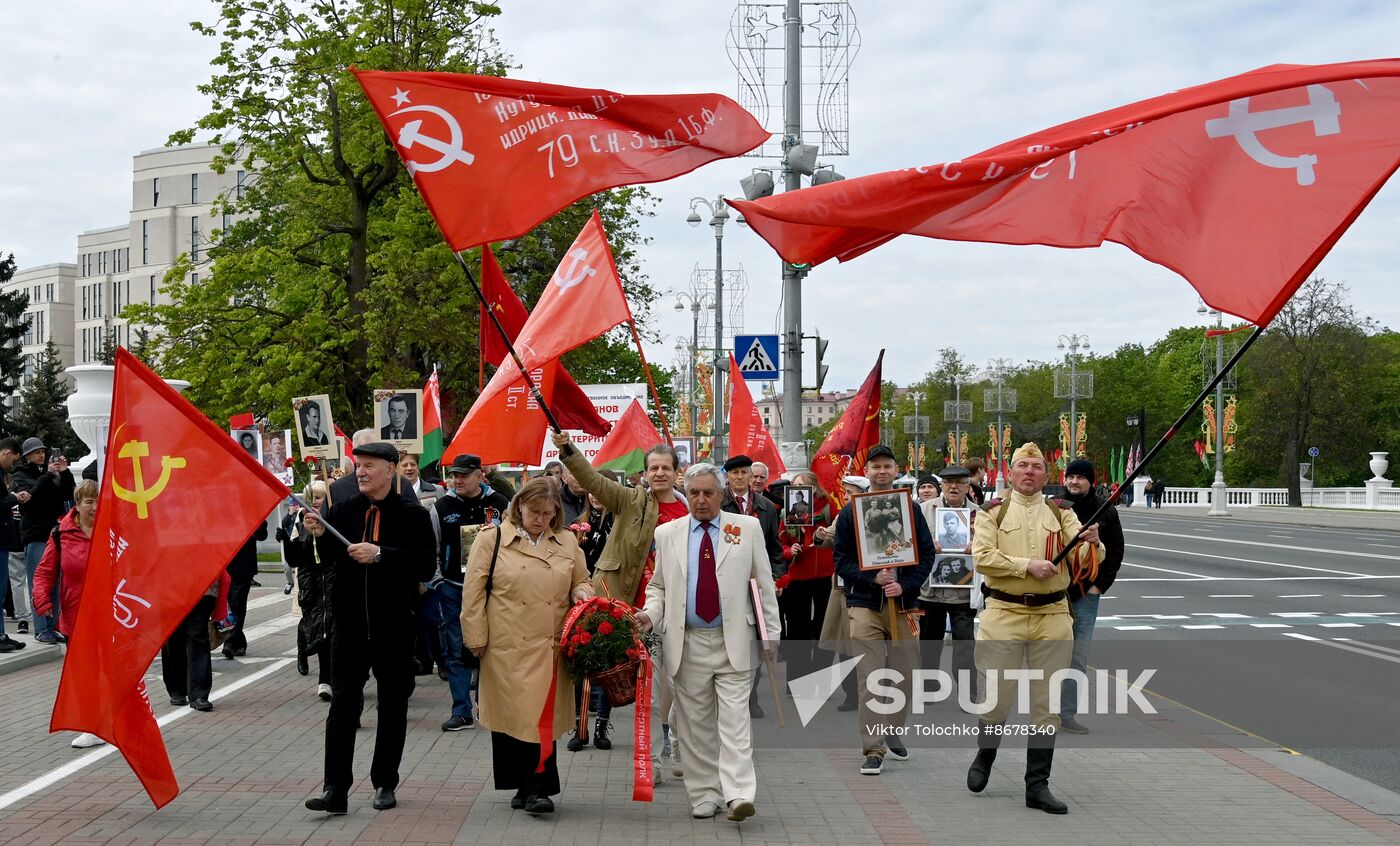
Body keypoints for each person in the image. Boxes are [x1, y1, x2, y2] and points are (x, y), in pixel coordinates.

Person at [637, 463, 780, 823]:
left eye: (709, 493)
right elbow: (658, 588)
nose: (701, 500)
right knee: (694, 726)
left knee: (735, 721)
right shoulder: (668, 533)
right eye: (695, 493)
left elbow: (763, 584)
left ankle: (738, 794)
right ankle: (704, 794)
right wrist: (649, 615)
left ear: (721, 494)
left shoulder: (745, 528)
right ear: (687, 493)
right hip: (686, 642)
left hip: (736, 640)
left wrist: (771, 635)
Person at [966, 443, 1102, 815]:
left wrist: (1092, 543)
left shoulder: (1062, 514)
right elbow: (983, 557)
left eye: (1037, 467)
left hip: (1054, 616)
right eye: (1022, 465)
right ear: (1010, 473)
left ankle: (1037, 785)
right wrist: (1027, 566)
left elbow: (1083, 561)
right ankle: (985, 756)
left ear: (1047, 475)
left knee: (1047, 704)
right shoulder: (993, 511)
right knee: (997, 695)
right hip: (1004, 613)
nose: (1029, 471)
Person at [302, 442, 435, 815]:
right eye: (358, 465)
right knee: (343, 706)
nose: (360, 471)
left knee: (392, 707)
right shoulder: (342, 510)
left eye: (369, 465)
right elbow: (324, 559)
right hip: (349, 627)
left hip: (394, 626)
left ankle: (384, 782)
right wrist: (316, 533)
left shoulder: (412, 515)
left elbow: (424, 566)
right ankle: (335, 789)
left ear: (390, 469)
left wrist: (380, 555)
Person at [552, 429, 687, 782]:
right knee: (651, 693)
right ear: (644, 473)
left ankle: (677, 745)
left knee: (680, 691)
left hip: (679, 612)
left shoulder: (689, 508)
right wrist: (568, 449)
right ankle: (652, 763)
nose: (659, 474)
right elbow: (592, 480)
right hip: (633, 611)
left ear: (677, 472)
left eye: (665, 468)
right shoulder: (631, 501)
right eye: (653, 468)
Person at [463, 477, 594, 815]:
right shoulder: (491, 540)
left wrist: (582, 593)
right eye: (534, 511)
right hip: (505, 645)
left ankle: (537, 789)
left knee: (540, 718)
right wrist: (475, 637)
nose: (541, 519)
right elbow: (474, 592)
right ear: (518, 505)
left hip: (549, 646)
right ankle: (522, 785)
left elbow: (582, 579)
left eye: (548, 513)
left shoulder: (566, 541)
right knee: (512, 719)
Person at [832, 444, 934, 777]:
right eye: (875, 467)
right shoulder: (850, 513)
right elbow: (842, 561)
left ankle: (892, 727)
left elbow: (927, 555)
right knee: (871, 678)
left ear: (896, 470)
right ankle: (872, 747)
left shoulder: (912, 510)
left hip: (904, 606)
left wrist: (905, 585)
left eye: (887, 466)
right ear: (868, 472)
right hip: (864, 605)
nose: (881, 472)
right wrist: (871, 577)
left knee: (905, 676)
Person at [432, 454, 510, 732]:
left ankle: (492, 709)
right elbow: (434, 548)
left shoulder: (500, 504)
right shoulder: (441, 507)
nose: (458, 479)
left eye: (465, 474)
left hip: (493, 590)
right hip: (454, 589)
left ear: (481, 475)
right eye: (455, 474)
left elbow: (513, 545)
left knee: (493, 649)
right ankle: (462, 710)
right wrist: (439, 581)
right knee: (455, 650)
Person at [1057, 458, 1124, 734]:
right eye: (1070, 477)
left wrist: (1099, 586)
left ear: (1090, 481)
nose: (1074, 482)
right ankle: (1044, 710)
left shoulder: (1105, 511)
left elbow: (1116, 551)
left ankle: (1067, 713)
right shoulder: (1053, 507)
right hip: (1055, 593)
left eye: (1080, 478)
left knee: (1077, 657)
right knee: (1048, 655)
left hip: (1086, 593)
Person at [32, 479, 100, 743]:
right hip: (76, 614)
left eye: (98, 501)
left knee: (111, 669)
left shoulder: (113, 529)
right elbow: (44, 572)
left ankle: (115, 720)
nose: (94, 507)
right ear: (77, 504)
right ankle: (92, 727)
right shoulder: (61, 533)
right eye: (88, 502)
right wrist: (42, 602)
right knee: (85, 671)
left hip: (111, 611)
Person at [719, 454, 784, 719]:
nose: (739, 477)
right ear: (727, 476)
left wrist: (775, 578)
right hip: (728, 584)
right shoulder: (718, 503)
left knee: (759, 639)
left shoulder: (767, 507)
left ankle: (751, 695)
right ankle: (729, 693)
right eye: (734, 473)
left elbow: (774, 550)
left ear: (750, 475)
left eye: (744, 473)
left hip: (756, 586)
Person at [917, 465, 980, 707]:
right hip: (930, 590)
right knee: (929, 643)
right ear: (941, 485)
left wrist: (977, 544)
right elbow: (909, 542)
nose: (953, 487)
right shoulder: (923, 510)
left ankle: (968, 694)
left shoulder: (979, 514)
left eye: (959, 482)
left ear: (968, 486)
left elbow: (990, 545)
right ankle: (929, 688)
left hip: (963, 590)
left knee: (965, 643)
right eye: (948, 482)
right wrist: (926, 544)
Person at [569, 470, 619, 751]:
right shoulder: (577, 525)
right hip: (582, 603)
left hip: (610, 602)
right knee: (581, 667)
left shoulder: (621, 524)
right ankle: (580, 728)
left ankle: (601, 727)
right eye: (591, 491)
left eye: (601, 490)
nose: (595, 496)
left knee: (606, 667)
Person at [12, 438, 75, 645]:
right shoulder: (21, 476)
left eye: (43, 451)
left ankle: (52, 625)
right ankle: (40, 628)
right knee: (39, 582)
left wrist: (64, 473)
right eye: (36, 452)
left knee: (55, 583)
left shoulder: (48, 474)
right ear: (27, 456)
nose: (41, 455)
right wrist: (48, 475)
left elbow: (67, 495)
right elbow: (31, 497)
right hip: (36, 535)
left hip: (54, 534)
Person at [816, 474, 870, 713]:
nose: (846, 496)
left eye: (849, 492)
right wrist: (821, 536)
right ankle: (851, 694)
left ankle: (871, 693)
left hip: (869, 587)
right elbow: (830, 537)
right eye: (845, 491)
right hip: (843, 587)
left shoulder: (872, 514)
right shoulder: (843, 515)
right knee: (844, 644)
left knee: (866, 645)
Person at [777, 470, 835, 681]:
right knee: (797, 629)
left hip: (825, 576)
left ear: (813, 488)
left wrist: (824, 534)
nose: (797, 490)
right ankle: (797, 678)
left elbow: (840, 535)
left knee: (823, 628)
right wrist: (789, 551)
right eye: (794, 485)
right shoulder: (787, 512)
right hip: (798, 576)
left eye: (801, 485)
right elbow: (780, 544)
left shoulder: (828, 508)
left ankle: (820, 678)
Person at [282, 481, 334, 701]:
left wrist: (323, 535)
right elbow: (296, 559)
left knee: (329, 632)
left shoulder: (334, 521)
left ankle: (327, 680)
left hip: (332, 586)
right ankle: (305, 652)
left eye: (320, 497)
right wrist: (286, 541)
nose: (315, 502)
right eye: (311, 498)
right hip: (310, 587)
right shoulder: (301, 523)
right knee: (315, 629)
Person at [221, 518, 270, 659]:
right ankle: (240, 642)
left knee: (237, 603)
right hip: (226, 564)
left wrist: (254, 525)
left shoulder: (252, 512)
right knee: (230, 604)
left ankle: (229, 643)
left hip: (244, 565)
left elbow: (262, 535)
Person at [0, 437, 29, 652]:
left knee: (2, 590)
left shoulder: (1, 474)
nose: (13, 466)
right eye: (13, 461)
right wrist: (13, 498)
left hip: (3, 540)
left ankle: (2, 635)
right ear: (6, 453)